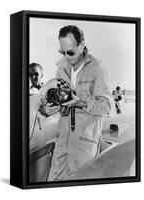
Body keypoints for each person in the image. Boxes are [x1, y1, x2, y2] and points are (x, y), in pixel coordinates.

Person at [39, 25, 111, 181]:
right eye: (62, 52)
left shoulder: (97, 68)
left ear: (82, 46)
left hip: (84, 149)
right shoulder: (62, 68)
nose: (66, 57)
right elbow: (51, 100)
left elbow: (106, 107)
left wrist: (81, 103)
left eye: (70, 52)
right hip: (61, 144)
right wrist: (46, 109)